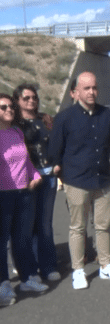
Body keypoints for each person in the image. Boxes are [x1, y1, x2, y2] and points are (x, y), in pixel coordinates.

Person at [49, 72, 110, 289]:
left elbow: (109, 143)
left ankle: (105, 266)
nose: (92, 92)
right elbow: (56, 150)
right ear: (76, 92)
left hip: (103, 180)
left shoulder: (106, 115)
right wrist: (64, 176)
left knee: (103, 227)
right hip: (76, 181)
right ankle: (78, 270)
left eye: (94, 88)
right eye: (86, 88)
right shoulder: (64, 118)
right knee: (78, 228)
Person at [0, 93, 46, 306]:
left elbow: (25, 160)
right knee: (1, 243)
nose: (9, 110)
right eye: (3, 107)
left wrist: (35, 175)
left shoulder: (17, 131)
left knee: (22, 238)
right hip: (3, 195)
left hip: (24, 193)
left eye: (10, 106)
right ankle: (4, 285)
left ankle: (28, 278)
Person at [13, 84, 59, 281]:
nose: (31, 101)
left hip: (48, 176)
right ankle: (29, 267)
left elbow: (57, 143)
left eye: (34, 98)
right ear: (17, 101)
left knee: (45, 224)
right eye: (26, 98)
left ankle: (48, 266)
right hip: (25, 180)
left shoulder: (45, 120)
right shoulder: (13, 124)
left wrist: (57, 164)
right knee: (26, 225)